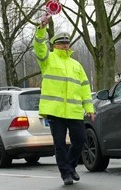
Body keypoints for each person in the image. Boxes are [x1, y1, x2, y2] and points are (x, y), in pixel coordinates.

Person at [33, 15, 95, 185]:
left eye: (67, 43)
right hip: (55, 110)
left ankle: (71, 166)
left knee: (80, 140)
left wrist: (89, 108)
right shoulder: (47, 59)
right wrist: (41, 28)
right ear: (54, 45)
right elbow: (38, 46)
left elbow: (85, 87)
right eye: (62, 43)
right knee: (59, 144)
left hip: (74, 111)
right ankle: (66, 174)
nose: (66, 45)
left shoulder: (76, 65)